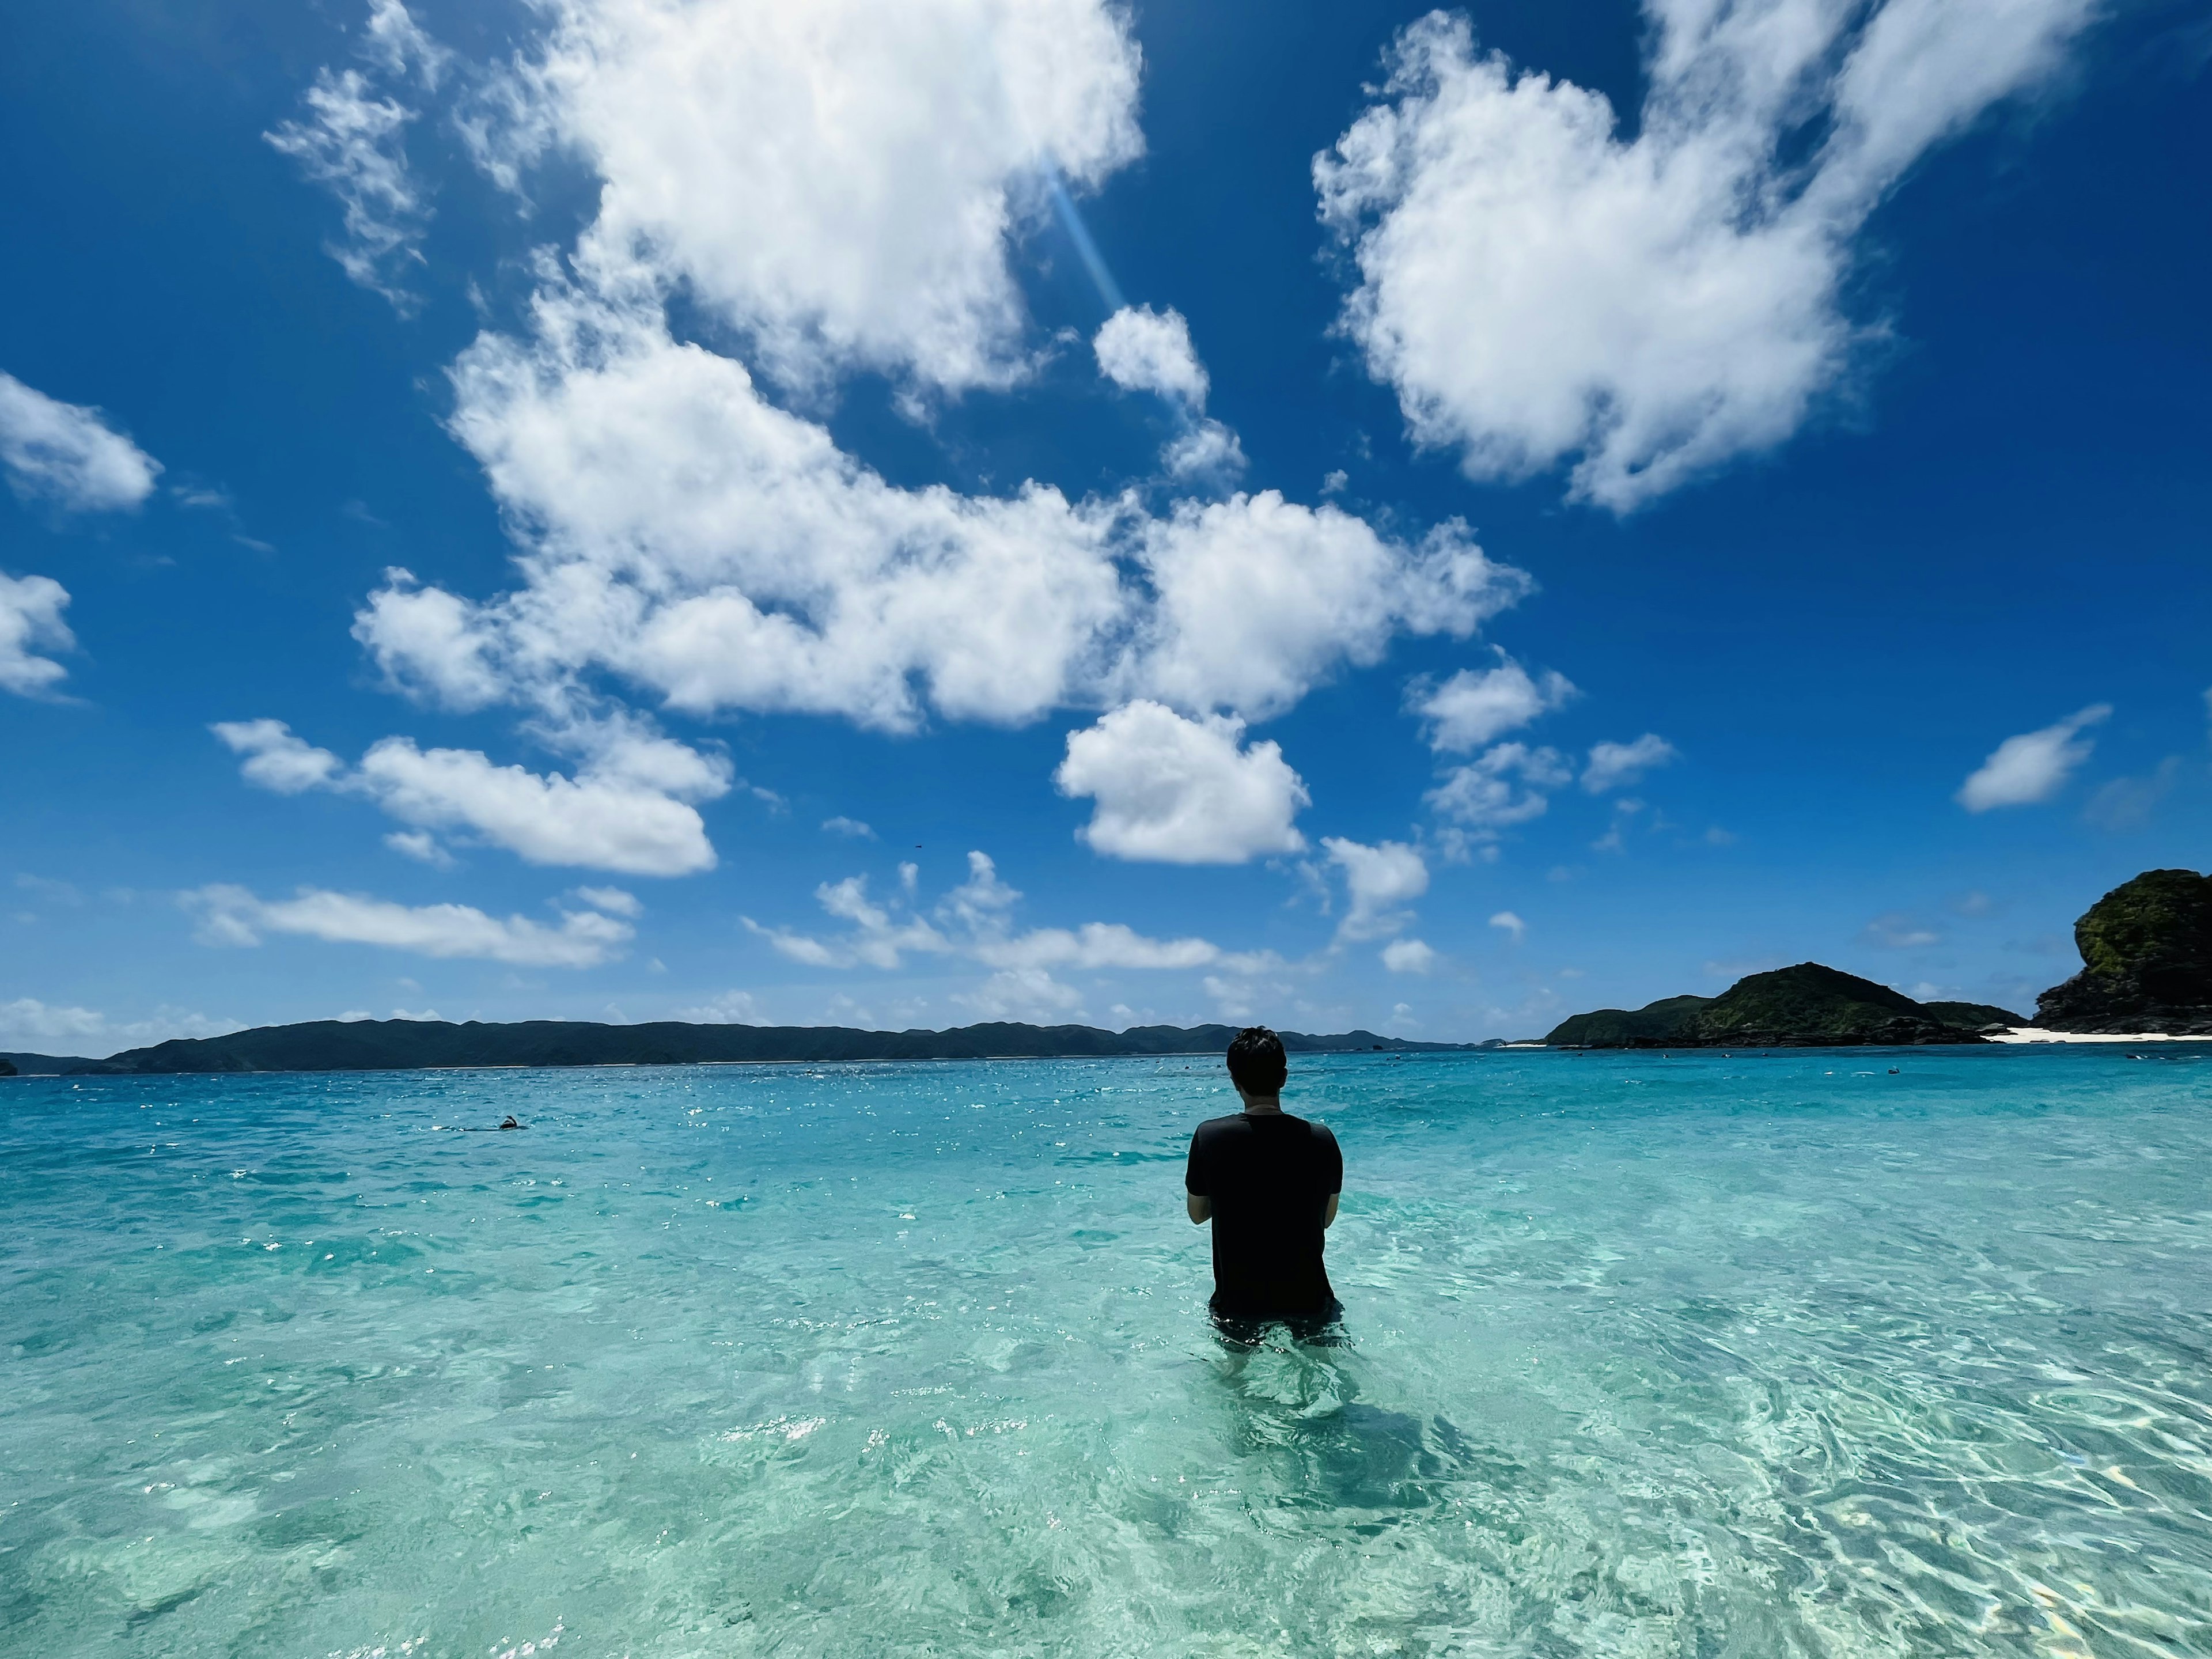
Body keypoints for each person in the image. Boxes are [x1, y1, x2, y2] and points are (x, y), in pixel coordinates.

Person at [1184, 1026, 1343, 1342]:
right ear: (1283, 1078)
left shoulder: (1210, 1136)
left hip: (1239, 1301)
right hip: (1309, 1298)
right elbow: (1325, 1219)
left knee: (1235, 1387)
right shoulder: (1321, 1139)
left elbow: (1198, 1214)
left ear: (1235, 1081)